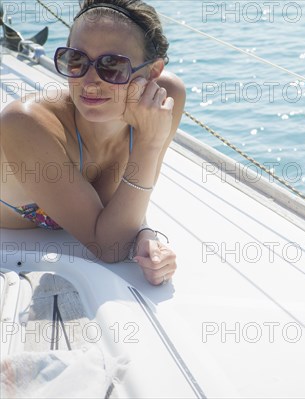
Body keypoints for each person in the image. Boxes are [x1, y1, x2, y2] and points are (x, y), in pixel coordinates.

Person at [0, 0, 185, 285]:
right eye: (77, 60)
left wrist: (146, 234)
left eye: (112, 66)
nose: (89, 82)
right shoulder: (25, 123)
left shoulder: (167, 95)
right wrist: (148, 143)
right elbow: (110, 247)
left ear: (153, 70)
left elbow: (123, 208)